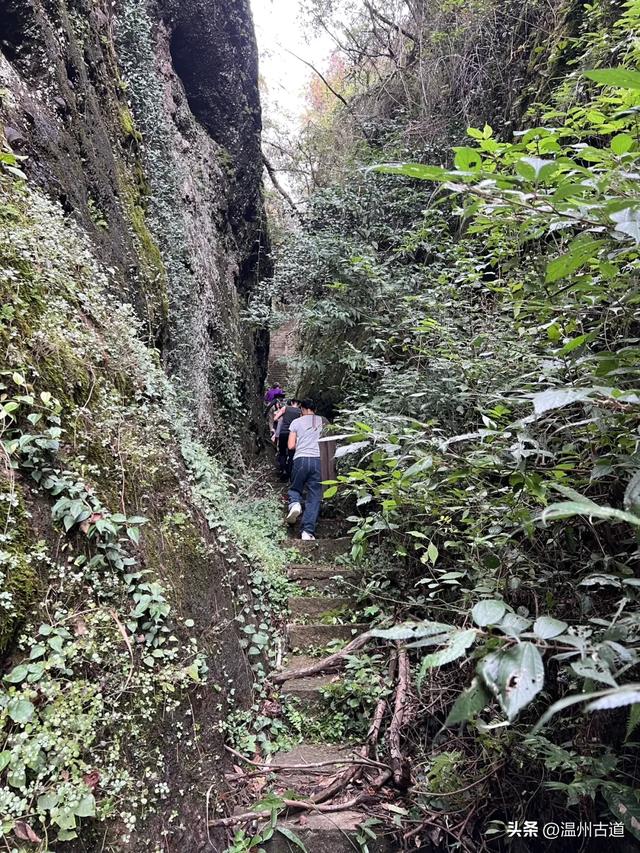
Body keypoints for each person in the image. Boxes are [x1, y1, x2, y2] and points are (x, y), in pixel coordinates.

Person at [286, 399, 325, 540]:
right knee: (315, 496)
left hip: (301, 459)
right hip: (319, 460)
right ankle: (307, 532)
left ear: (302, 409)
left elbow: (290, 446)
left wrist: (302, 443)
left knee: (296, 487)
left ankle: (295, 503)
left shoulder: (296, 422)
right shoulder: (324, 421)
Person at [273, 399, 301, 479]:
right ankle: (290, 472)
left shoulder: (285, 408)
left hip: (283, 432)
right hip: (294, 434)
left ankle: (283, 470)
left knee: (282, 453)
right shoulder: (300, 412)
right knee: (292, 454)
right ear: (299, 404)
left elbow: (275, 418)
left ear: (291, 403)